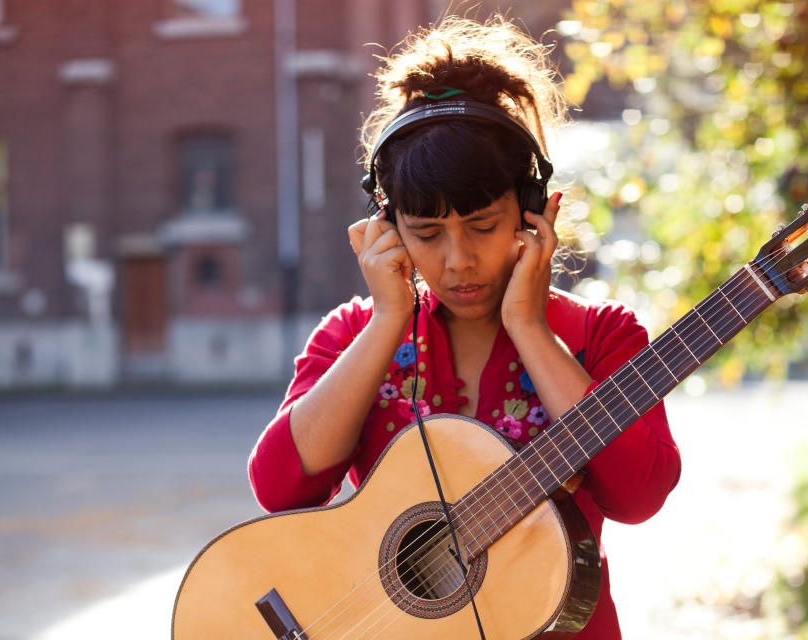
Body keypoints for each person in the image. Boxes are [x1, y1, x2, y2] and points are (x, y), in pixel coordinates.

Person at [248, 15, 681, 639]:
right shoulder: (352, 335)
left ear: (535, 211)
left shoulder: (602, 336)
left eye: (482, 225)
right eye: (426, 234)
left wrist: (529, 326)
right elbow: (279, 487)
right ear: (387, 227)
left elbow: (638, 496)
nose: (457, 261)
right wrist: (389, 318)